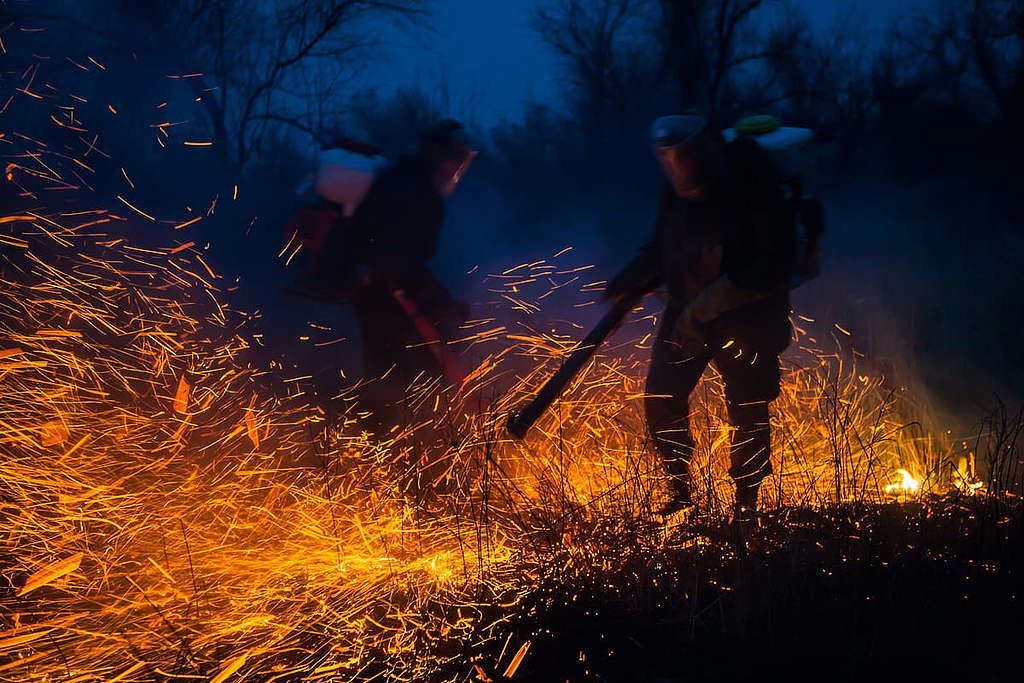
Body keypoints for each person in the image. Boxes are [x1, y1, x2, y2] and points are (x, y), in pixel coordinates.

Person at [605, 113, 816, 521]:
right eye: (669, 158)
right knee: (661, 398)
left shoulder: (754, 189)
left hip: (746, 314)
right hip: (686, 309)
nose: (677, 166)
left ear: (703, 152)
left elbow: (772, 264)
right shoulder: (676, 196)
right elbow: (663, 245)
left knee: (747, 404)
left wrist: (710, 303)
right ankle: (680, 492)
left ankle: (746, 503)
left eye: (683, 156)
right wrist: (631, 278)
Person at [308, 120, 478, 433]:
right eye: (455, 162)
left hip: (370, 293)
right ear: (440, 158)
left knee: (388, 377)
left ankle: (369, 450)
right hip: (382, 296)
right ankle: (392, 455)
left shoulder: (396, 181)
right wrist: (443, 303)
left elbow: (400, 259)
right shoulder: (418, 195)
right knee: (413, 381)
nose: (456, 171)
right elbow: (399, 261)